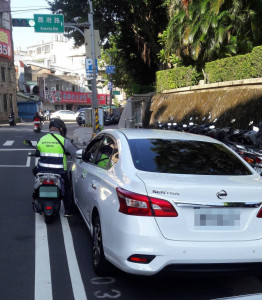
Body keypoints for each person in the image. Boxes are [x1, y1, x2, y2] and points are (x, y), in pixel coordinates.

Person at [33, 118, 78, 217]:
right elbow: (75, 153)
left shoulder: (42, 139)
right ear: (61, 129)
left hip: (42, 170)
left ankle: (36, 196)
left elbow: (38, 151)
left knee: (34, 171)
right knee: (67, 188)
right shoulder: (64, 141)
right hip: (60, 172)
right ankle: (68, 211)